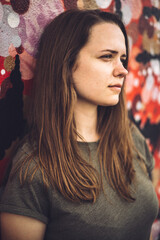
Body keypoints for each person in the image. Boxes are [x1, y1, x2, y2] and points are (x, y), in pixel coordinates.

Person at [0, 9, 158, 240]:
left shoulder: (131, 137)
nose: (123, 70)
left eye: (123, 59)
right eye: (107, 56)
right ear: (67, 61)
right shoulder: (34, 168)